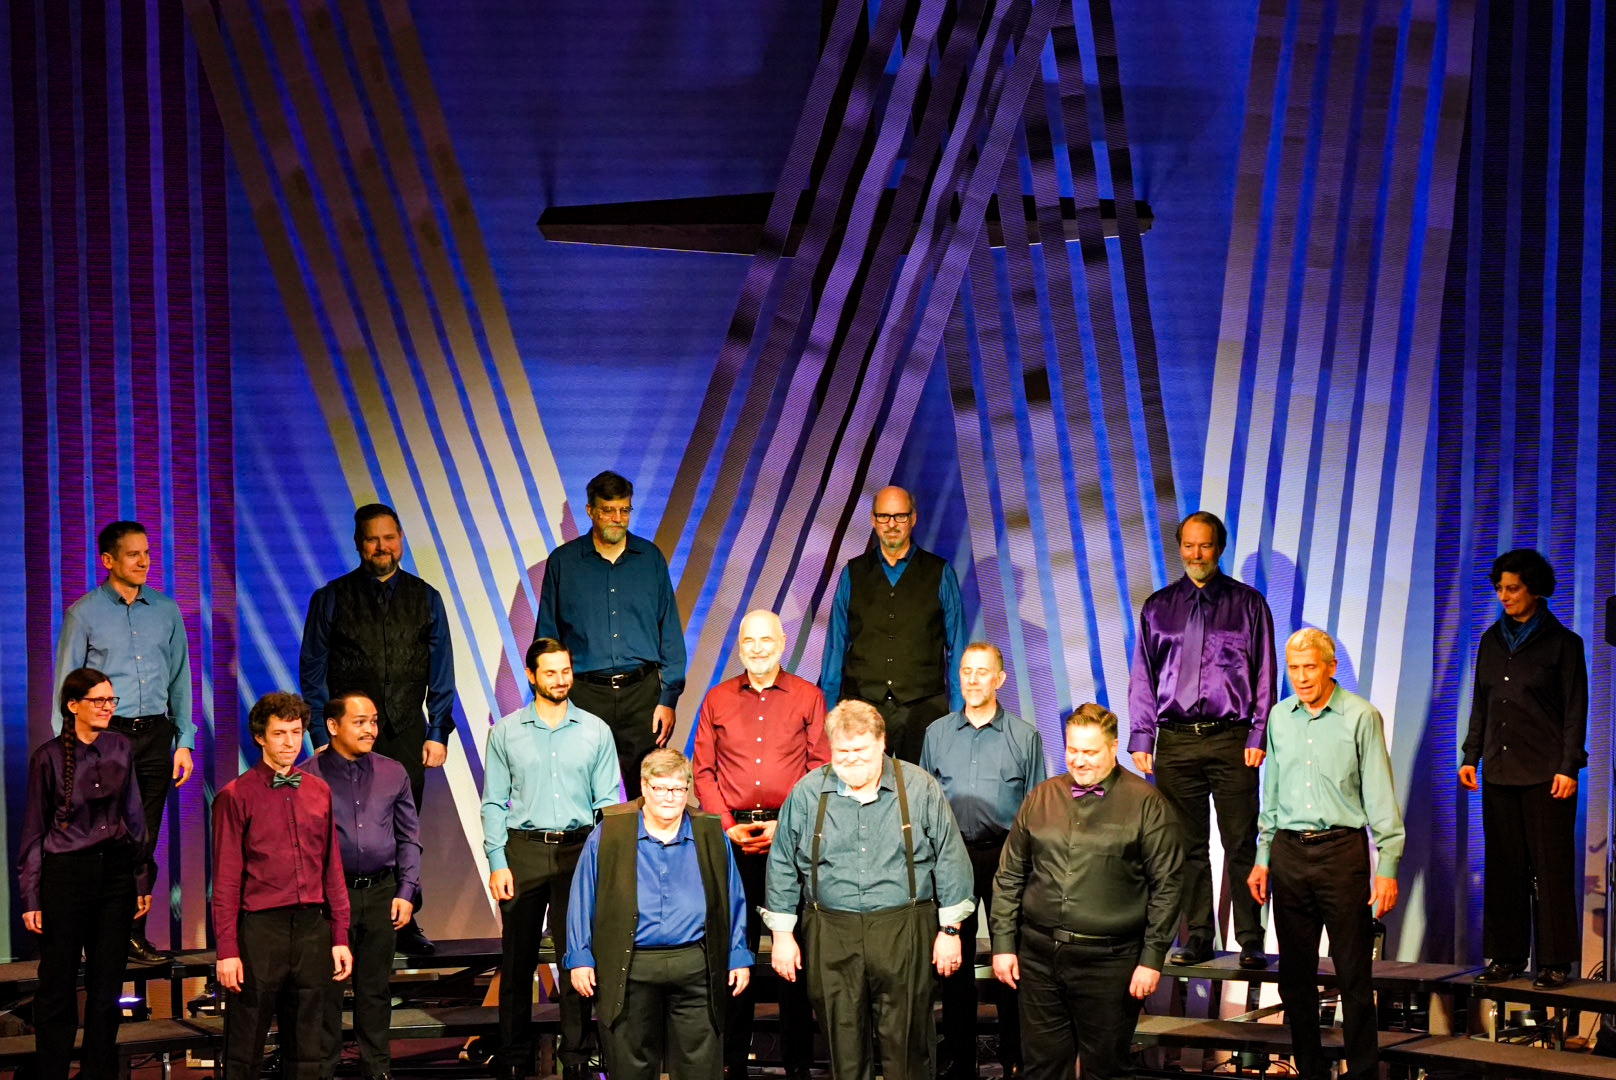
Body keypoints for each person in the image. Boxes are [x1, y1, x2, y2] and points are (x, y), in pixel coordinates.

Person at [764, 700, 974, 1080]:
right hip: (831, 932)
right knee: (843, 1044)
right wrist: (781, 935)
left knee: (907, 1045)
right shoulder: (808, 792)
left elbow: (950, 857)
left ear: (881, 743)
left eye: (860, 749)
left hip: (904, 929)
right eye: (842, 751)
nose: (851, 759)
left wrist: (950, 930)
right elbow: (781, 863)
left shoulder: (919, 787)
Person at [989, 704, 1183, 1080]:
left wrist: (1152, 958)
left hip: (1109, 963)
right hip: (1039, 958)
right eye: (1072, 750)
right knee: (1041, 1070)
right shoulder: (1042, 796)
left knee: (1106, 1070)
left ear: (1113, 747)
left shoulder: (1147, 803)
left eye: (1090, 751)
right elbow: (1010, 875)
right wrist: (1003, 943)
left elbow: (1168, 886)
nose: (1079, 760)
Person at [1248, 629, 1404, 1080]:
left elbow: (1379, 794)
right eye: (1294, 668)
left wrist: (1388, 864)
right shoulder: (1279, 717)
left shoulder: (1361, 716)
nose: (1301, 677)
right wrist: (1263, 856)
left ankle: (1363, 1072)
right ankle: (1310, 1070)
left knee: (1353, 974)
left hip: (1341, 852)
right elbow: (1272, 794)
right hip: (1289, 853)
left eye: (1310, 667)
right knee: (1295, 977)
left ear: (1331, 667)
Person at [301, 502, 455, 954]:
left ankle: (404, 918)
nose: (382, 546)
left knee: (404, 831)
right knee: (343, 831)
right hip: (343, 738)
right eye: (372, 539)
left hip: (406, 732)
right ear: (358, 544)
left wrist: (438, 730)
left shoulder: (426, 597)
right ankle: (339, 922)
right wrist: (320, 734)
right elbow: (313, 671)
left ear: (401, 539)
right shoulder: (330, 597)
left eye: (389, 537)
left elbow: (442, 669)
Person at [1127, 510, 1275, 968]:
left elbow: (1265, 673)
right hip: (1175, 741)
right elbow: (1143, 676)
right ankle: (1198, 937)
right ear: (1180, 548)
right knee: (1186, 847)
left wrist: (1258, 731)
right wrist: (1142, 737)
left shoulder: (1248, 604)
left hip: (1232, 738)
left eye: (1204, 545)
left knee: (1241, 842)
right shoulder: (1158, 607)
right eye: (1188, 545)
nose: (1196, 554)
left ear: (1220, 548)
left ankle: (1251, 940)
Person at [691, 609, 827, 1079]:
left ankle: (798, 1065)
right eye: (749, 640)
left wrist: (784, 825)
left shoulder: (809, 696)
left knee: (794, 957)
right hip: (730, 841)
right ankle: (731, 1063)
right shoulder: (717, 698)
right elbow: (703, 771)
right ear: (740, 646)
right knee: (734, 952)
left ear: (782, 642)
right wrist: (726, 824)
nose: (757, 648)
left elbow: (819, 767)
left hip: (790, 841)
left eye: (766, 639)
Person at [566, 749, 754, 1080]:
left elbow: (733, 897)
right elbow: (583, 896)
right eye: (660, 788)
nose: (670, 797)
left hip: (695, 965)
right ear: (644, 786)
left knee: (700, 1066)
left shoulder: (709, 832)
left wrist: (738, 954)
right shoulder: (610, 832)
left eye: (678, 789)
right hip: (632, 966)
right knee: (632, 1066)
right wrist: (580, 956)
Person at [54, 520, 194, 963]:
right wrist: (70, 750)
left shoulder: (166, 610)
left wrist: (185, 740)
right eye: (133, 554)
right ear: (108, 560)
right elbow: (67, 686)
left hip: (155, 736)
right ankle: (90, 936)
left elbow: (180, 678)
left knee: (142, 839)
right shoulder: (84, 613)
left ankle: (130, 934)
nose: (144, 561)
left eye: (147, 553)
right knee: (99, 837)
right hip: (104, 738)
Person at [482, 637, 621, 1080]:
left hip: (579, 851)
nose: (560, 680)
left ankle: (576, 1056)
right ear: (531, 675)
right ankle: (513, 1056)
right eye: (550, 672)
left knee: (576, 955)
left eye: (566, 671)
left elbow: (608, 804)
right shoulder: (506, 732)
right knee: (517, 960)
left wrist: (605, 862)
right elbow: (493, 802)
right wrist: (497, 861)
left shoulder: (596, 730)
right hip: (522, 851)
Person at [1460, 548, 1588, 989]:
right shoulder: (1490, 640)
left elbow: (1575, 711)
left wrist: (1569, 766)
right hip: (1499, 769)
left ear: (1534, 589)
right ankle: (1507, 956)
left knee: (1550, 869)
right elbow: (1482, 703)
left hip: (1547, 773)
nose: (1504, 596)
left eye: (1512, 588)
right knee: (1504, 866)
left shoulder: (1564, 643)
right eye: (1500, 588)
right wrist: (1471, 755)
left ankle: (1555, 961)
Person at [19, 667, 153, 1080]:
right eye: (99, 700)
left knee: (106, 987)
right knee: (57, 985)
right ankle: (52, 1072)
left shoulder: (121, 747)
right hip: (65, 877)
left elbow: (135, 817)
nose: (108, 707)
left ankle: (98, 1073)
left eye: (112, 700)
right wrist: (32, 896)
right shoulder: (48, 758)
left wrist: (140, 878)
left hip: (114, 875)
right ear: (73, 705)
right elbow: (34, 831)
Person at [920, 642, 1045, 1080]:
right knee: (954, 963)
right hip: (951, 856)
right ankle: (960, 1059)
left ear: (1000, 679)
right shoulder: (937, 734)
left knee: (1011, 960)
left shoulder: (1025, 737)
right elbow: (924, 804)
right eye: (966, 671)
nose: (972, 680)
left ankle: (1014, 1058)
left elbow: (1036, 809)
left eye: (982, 671)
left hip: (1006, 857)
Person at [213, 692, 353, 1080]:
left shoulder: (319, 791)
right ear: (260, 737)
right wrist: (227, 949)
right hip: (261, 930)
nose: (290, 742)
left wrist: (340, 936)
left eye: (295, 732)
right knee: (246, 1041)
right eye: (279, 733)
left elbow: (332, 868)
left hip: (311, 928)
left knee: (309, 1044)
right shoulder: (234, 796)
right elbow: (226, 879)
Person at [535, 470, 687, 796]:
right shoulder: (563, 563)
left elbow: (671, 633)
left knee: (647, 795)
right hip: (584, 697)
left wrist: (668, 698)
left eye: (624, 510)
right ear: (590, 510)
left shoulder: (650, 559)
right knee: (581, 795)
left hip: (643, 698)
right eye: (608, 510)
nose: (618, 518)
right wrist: (551, 701)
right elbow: (547, 638)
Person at [303, 692, 423, 1080]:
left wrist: (406, 890)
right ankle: (323, 1070)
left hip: (381, 893)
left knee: (374, 990)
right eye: (360, 722)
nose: (371, 729)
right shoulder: (307, 776)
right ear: (333, 726)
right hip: (328, 899)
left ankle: (377, 1070)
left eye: (373, 721)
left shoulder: (393, 772)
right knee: (327, 991)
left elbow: (409, 837)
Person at [819, 485, 968, 764]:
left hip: (924, 709)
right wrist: (828, 710)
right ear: (873, 520)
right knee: (860, 786)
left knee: (923, 786)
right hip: (862, 708)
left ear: (913, 518)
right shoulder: (852, 573)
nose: (891, 524)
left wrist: (960, 712)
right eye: (884, 516)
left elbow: (957, 647)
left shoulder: (940, 572)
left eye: (900, 516)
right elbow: (836, 646)